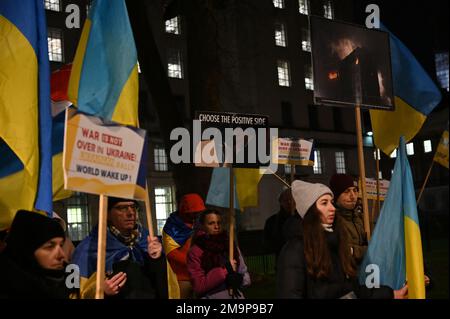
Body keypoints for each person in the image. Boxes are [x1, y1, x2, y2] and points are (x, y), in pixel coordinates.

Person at [277, 180, 408, 299]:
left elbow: (353, 290)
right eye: (324, 203)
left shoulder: (336, 242)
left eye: (332, 202)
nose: (332, 208)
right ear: (310, 210)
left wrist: (391, 294)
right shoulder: (295, 249)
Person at [71, 197, 167, 299]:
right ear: (107, 214)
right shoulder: (89, 247)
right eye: (122, 208)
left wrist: (158, 260)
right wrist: (100, 290)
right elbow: (73, 291)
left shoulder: (149, 240)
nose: (130, 213)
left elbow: (164, 285)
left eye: (133, 207)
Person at [0, 210, 74, 298]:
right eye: (50, 247)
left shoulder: (66, 283)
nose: (62, 255)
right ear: (27, 249)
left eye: (61, 245)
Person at [187, 209, 251, 299]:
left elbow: (245, 275)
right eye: (211, 223)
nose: (216, 226)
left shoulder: (230, 246)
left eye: (219, 223)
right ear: (202, 226)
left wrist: (240, 280)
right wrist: (224, 271)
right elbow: (199, 286)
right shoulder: (196, 251)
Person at [162, 193, 206, 299]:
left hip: (199, 275)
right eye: (193, 212)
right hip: (181, 277)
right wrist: (193, 263)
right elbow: (171, 253)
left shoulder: (198, 224)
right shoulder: (172, 227)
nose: (196, 215)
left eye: (198, 212)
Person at [329, 174, 367, 265]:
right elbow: (344, 251)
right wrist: (369, 250)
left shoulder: (360, 218)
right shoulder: (332, 220)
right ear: (336, 196)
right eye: (346, 191)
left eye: (355, 190)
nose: (353, 196)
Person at [263, 188, 296, 261]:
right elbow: (268, 243)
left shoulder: (301, 219)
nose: (289, 202)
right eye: (286, 200)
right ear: (281, 202)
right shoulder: (272, 221)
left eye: (291, 199)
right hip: (282, 258)